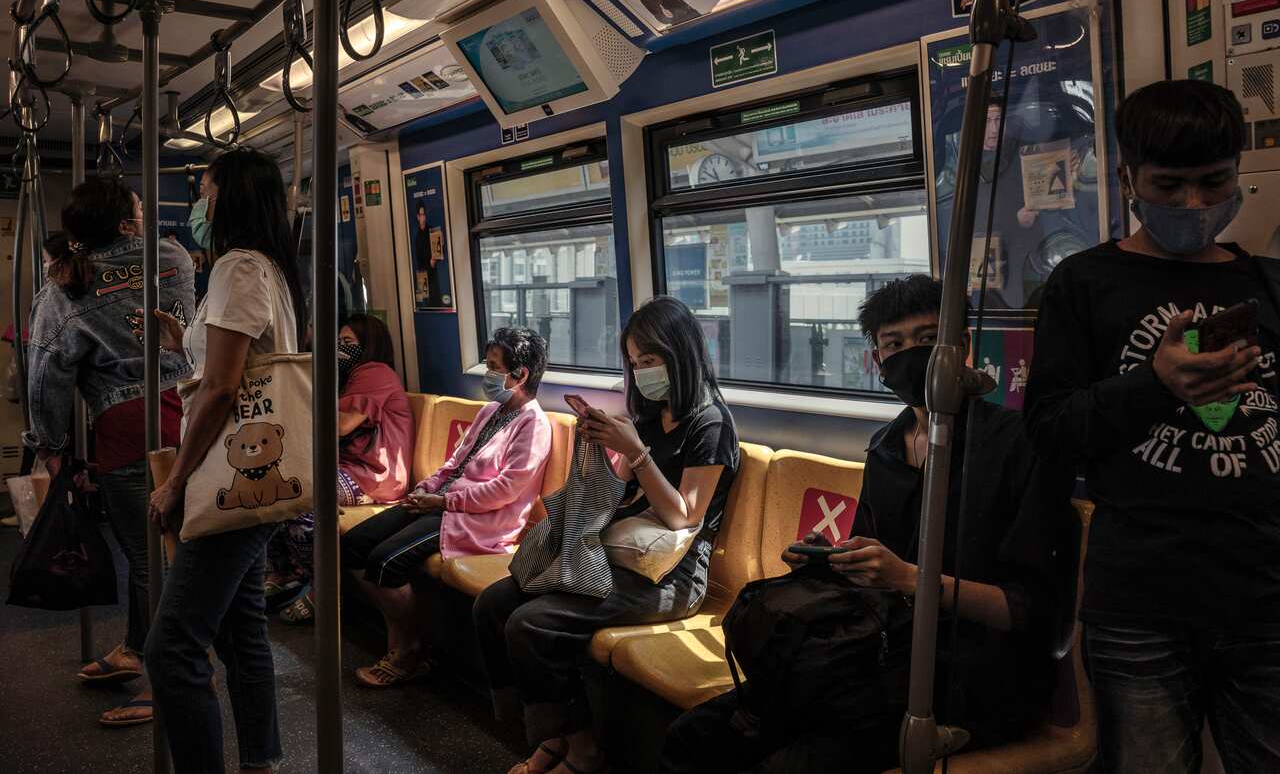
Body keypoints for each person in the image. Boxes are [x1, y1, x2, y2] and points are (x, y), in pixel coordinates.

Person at [662, 276, 1069, 773]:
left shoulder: (1018, 447)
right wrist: (828, 560)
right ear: (877, 363)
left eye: (926, 339)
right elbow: (873, 573)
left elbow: (1032, 612)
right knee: (693, 737)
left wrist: (909, 580)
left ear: (960, 348)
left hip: (973, 678)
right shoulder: (886, 449)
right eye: (893, 345)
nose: (910, 354)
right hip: (877, 656)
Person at [1024, 79, 1280, 774]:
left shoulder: (1269, 283)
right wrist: (1154, 385)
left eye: (1213, 182)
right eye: (1168, 185)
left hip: (1266, 597)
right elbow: (1049, 431)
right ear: (1127, 177)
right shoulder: (1084, 283)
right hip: (1140, 603)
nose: (1194, 205)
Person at [475, 296, 740, 774]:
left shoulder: (711, 425)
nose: (642, 373)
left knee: (530, 623)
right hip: (617, 553)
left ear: (681, 356)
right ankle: (550, 734)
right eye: (635, 363)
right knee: (492, 604)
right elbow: (622, 497)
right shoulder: (650, 416)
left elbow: (683, 517)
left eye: (651, 360)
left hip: (669, 578)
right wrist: (606, 444)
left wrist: (637, 454)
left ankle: (580, 748)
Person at [144, 148, 307, 774]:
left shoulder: (239, 267)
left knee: (172, 650)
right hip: (254, 477)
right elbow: (228, 360)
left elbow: (221, 388)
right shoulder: (268, 269)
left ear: (231, 197)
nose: (198, 206)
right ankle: (259, 762)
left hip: (232, 478)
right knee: (242, 636)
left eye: (205, 192)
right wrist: (179, 335)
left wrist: (176, 480)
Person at [22, 180, 194, 728]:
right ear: (124, 224)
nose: (143, 214)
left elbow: (46, 374)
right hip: (187, 413)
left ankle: (172, 680)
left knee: (148, 560)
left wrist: (50, 446)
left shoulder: (64, 290)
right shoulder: (173, 257)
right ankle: (140, 648)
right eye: (137, 209)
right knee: (167, 549)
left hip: (124, 424)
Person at [342, 326, 552, 687]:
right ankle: (400, 635)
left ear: (520, 375)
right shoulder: (491, 412)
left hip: (476, 519)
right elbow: (455, 463)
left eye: (494, 367)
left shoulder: (535, 424)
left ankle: (410, 650)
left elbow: (505, 490)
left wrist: (444, 501)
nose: (488, 374)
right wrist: (426, 489)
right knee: (353, 545)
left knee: (384, 562)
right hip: (442, 503)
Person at [267, 313, 415, 623]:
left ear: (369, 346)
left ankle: (322, 586)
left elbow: (342, 425)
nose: (340, 349)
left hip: (374, 476)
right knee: (274, 486)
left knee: (302, 497)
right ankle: (285, 572)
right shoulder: (351, 378)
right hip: (350, 468)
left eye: (348, 343)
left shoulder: (375, 372)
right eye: (338, 343)